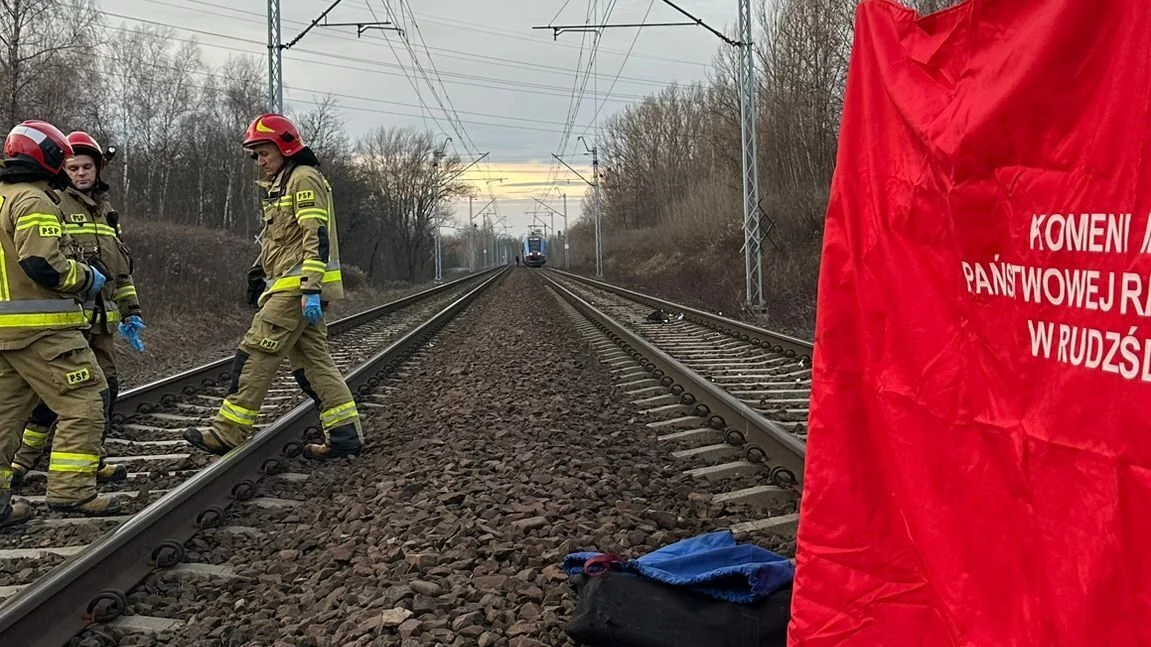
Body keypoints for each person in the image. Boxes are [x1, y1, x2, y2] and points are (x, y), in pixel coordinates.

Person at [183, 113, 362, 460]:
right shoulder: (283, 182)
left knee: (255, 353)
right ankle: (345, 436)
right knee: (314, 364)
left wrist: (310, 288)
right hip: (291, 287)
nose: (259, 161)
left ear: (285, 147)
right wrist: (258, 273)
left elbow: (315, 236)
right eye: (255, 155)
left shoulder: (303, 179)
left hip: (296, 291)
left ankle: (228, 431)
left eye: (264, 153)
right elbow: (279, 240)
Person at [0, 120, 121, 525]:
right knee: (86, 402)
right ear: (48, 158)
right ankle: (72, 491)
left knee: (5, 415)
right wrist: (87, 277)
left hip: (5, 333)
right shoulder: (34, 200)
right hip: (43, 329)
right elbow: (42, 265)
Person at [9, 131, 143, 488]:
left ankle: (90, 461)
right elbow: (46, 260)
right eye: (73, 167)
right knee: (55, 400)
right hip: (65, 317)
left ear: (98, 169)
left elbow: (120, 268)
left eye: (87, 167)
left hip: (100, 323)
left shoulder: (106, 211)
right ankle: (28, 463)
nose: (81, 173)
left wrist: (131, 310)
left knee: (105, 392)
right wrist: (84, 279)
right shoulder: (49, 202)